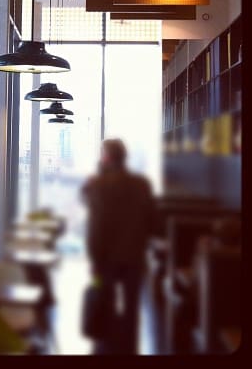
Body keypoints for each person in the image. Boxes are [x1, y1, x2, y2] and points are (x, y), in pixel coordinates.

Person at [81, 138, 155, 354]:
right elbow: (152, 221)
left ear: (106, 158)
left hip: (106, 258)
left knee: (107, 303)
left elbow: (96, 227)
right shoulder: (142, 184)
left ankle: (107, 348)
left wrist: (94, 259)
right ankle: (129, 349)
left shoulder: (98, 185)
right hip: (134, 255)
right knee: (131, 308)